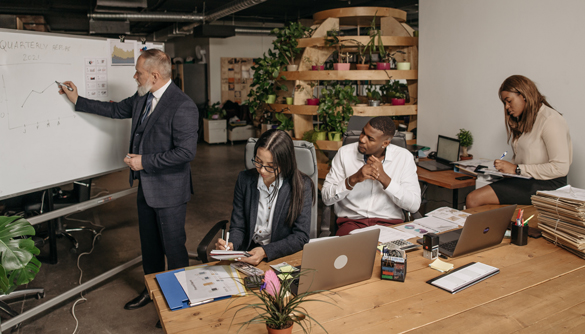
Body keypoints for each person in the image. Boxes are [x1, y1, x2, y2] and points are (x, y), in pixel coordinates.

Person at [58, 50, 198, 319]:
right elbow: (115, 109)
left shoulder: (183, 105)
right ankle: (152, 291)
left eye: (139, 73)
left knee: (173, 249)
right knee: (150, 247)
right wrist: (77, 100)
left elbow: (185, 153)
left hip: (169, 191)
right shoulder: (142, 96)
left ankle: (178, 305)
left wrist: (144, 162)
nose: (135, 76)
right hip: (146, 188)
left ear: (154, 76)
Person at [466, 75, 572, 208]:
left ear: (523, 95)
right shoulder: (525, 120)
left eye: (509, 101)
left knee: (474, 199)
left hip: (548, 184)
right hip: (528, 179)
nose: (506, 107)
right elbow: (527, 159)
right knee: (477, 197)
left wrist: (516, 169)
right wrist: (506, 168)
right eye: (504, 103)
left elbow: (561, 168)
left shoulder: (551, 120)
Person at [214, 130, 314, 265]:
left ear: (285, 163)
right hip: (248, 253)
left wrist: (264, 251)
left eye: (271, 166)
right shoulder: (244, 180)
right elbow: (238, 227)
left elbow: (300, 237)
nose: (262, 170)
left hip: (279, 255)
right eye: (258, 161)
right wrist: (232, 245)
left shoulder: (302, 185)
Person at [322, 116, 421, 236]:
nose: (362, 139)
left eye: (370, 138)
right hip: (352, 224)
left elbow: (414, 205)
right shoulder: (344, 153)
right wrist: (353, 180)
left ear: (385, 143)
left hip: (389, 225)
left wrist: (384, 179)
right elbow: (326, 198)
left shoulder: (404, 157)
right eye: (363, 132)